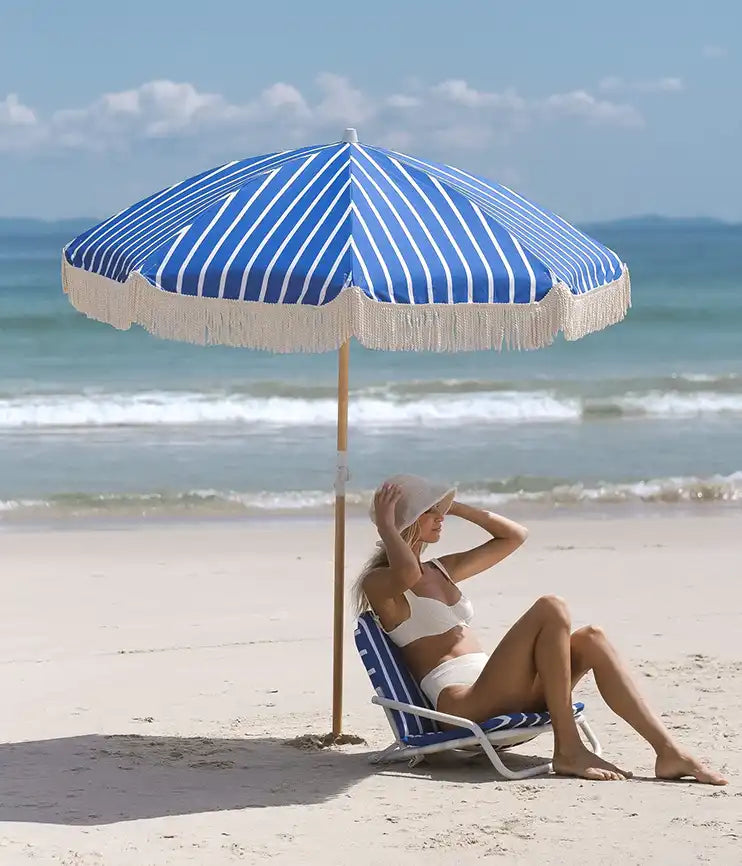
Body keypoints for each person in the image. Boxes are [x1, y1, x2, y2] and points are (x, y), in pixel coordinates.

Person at [353, 474, 728, 784]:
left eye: (441, 511)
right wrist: (387, 525)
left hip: (500, 685)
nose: (441, 519)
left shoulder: (442, 569)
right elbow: (406, 572)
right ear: (406, 520)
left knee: (592, 637)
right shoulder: (379, 583)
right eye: (430, 512)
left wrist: (454, 505)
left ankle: (668, 753)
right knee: (551, 607)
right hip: (464, 702)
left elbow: (514, 535)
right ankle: (568, 748)